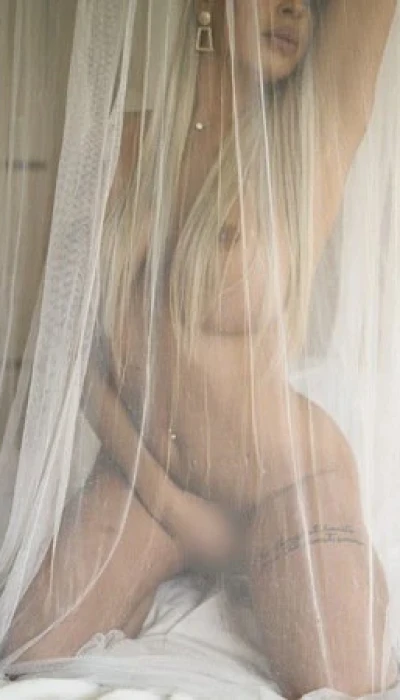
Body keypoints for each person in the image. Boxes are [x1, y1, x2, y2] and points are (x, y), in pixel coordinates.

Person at [5, 1, 399, 697]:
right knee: (29, 653)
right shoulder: (117, 145)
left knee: (344, 686)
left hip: (287, 483)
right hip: (149, 477)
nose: (294, 9)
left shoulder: (308, 144)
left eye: (310, 1)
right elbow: (74, 355)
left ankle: (267, 564)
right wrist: (175, 509)